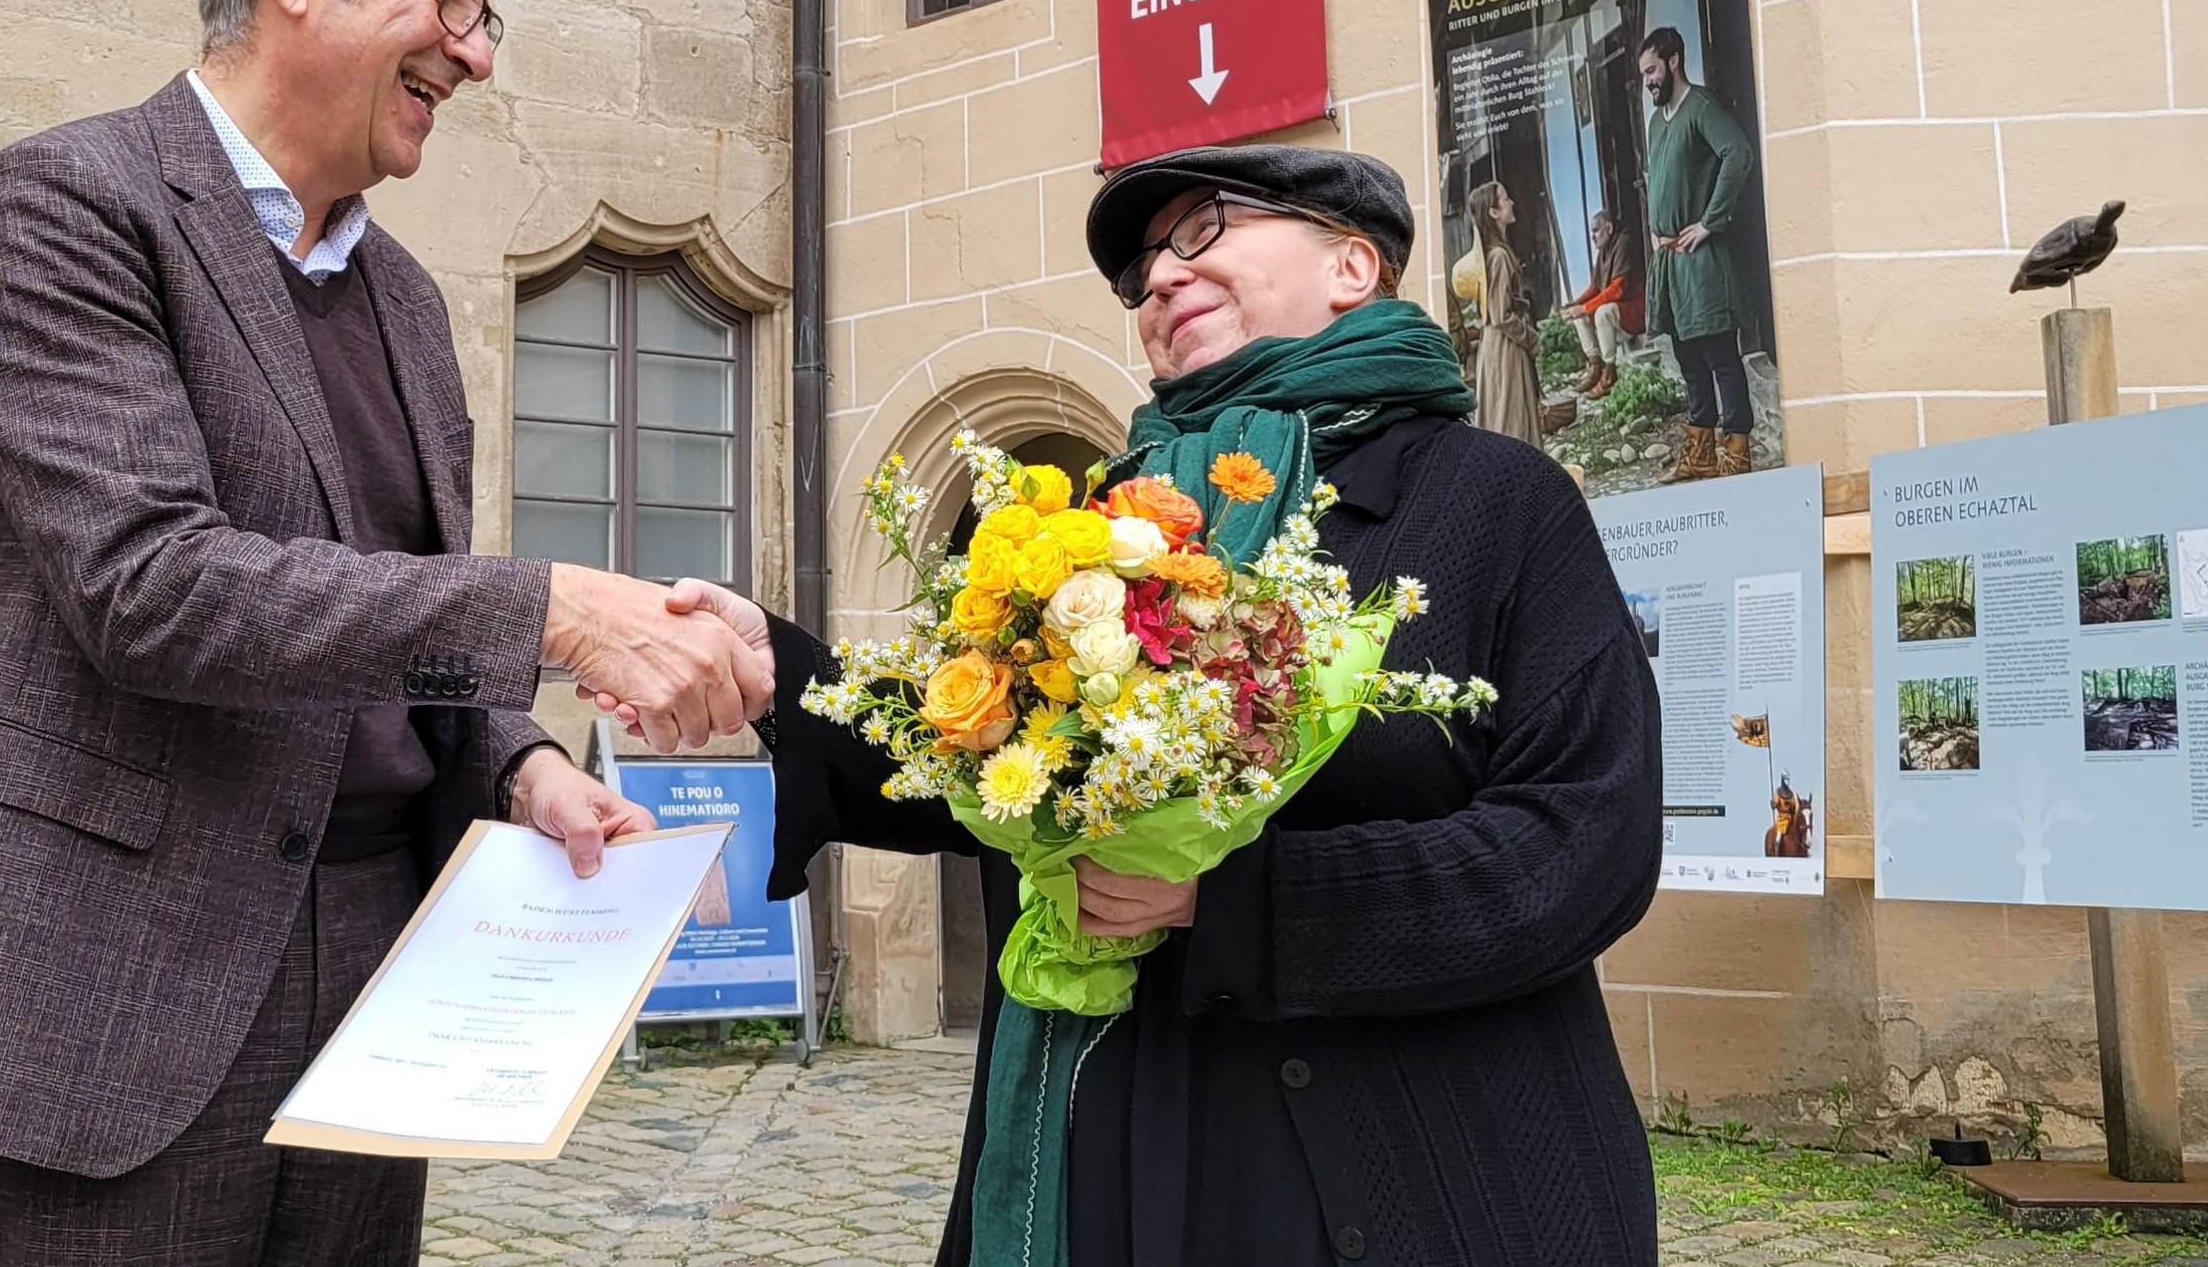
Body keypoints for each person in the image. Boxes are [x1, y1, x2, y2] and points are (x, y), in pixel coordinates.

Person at [0, 0, 772, 1267]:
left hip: (380, 967)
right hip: (122, 972)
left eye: (484, 15)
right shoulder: (70, 205)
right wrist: (554, 610)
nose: (475, 53)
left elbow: (397, 627)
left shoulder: (403, 295)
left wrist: (521, 766)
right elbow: (150, 588)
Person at [633, 145, 1665, 1266]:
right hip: (1128, 1151)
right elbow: (989, 768)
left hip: (1429, 1153)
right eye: (1140, 269)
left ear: (1352, 265)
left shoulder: (1498, 500)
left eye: (1204, 227)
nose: (1159, 277)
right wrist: (783, 674)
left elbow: (1584, 842)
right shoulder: (1109, 519)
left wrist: (1228, 902)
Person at [1639, 26, 1760, 481]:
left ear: (1673, 61)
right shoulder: (1657, 122)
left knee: (1720, 357)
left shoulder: (1703, 108)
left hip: (1702, 261)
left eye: (1652, 70)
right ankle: (1701, 452)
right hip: (1670, 261)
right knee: (1688, 359)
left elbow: (1738, 153)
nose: (1648, 81)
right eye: (1644, 74)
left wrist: (1710, 222)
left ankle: (1737, 452)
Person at [1464, 178, 1541, 445]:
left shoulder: (1497, 253)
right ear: (1494, 212)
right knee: (1512, 423)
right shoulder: (1498, 256)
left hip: (1498, 344)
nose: (1512, 202)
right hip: (1505, 347)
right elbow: (1500, 315)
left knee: (1508, 419)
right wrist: (1530, 338)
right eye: (1505, 198)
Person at [1562, 209, 1643, 397]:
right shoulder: (1605, 249)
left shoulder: (1624, 243)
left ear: (1609, 228)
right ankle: (1595, 367)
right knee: (1580, 318)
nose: (1592, 236)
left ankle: (1609, 372)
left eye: (1596, 230)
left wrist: (1584, 308)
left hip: (1635, 309)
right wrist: (1574, 305)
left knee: (1602, 312)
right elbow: (1595, 287)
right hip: (1620, 309)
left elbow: (1618, 289)